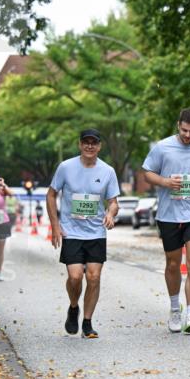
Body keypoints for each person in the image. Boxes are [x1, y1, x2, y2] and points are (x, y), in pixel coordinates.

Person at [142, 108, 190, 334]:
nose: (187, 135)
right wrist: (165, 182)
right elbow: (147, 173)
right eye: (184, 130)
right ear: (178, 126)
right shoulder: (163, 147)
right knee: (173, 264)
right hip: (169, 214)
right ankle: (175, 308)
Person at [47, 129, 120, 339]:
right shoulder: (66, 167)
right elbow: (51, 195)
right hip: (71, 231)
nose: (90, 146)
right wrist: (55, 225)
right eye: (86, 142)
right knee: (75, 277)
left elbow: (113, 202)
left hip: (96, 232)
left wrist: (110, 214)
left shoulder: (108, 171)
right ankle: (73, 307)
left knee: (94, 277)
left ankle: (87, 322)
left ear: (99, 146)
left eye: (94, 143)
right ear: (80, 144)